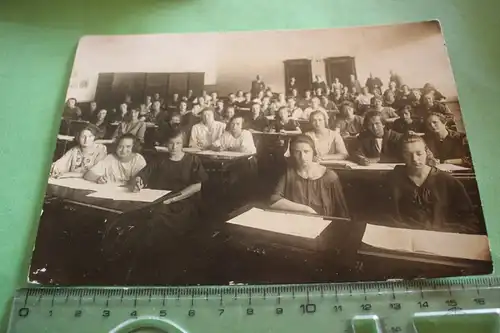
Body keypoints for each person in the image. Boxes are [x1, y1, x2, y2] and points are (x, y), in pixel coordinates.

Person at [387, 135, 478, 232]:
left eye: (419, 153)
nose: (414, 159)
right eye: (407, 154)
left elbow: (469, 220)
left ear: (427, 152)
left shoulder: (448, 181)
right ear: (401, 155)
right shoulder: (391, 180)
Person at [270, 135, 349, 217]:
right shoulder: (289, 173)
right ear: (292, 154)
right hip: (296, 222)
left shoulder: (330, 176)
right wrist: (306, 209)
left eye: (306, 151)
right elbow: (274, 201)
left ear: (313, 152)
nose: (302, 157)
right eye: (297, 152)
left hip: (324, 224)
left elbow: (342, 212)